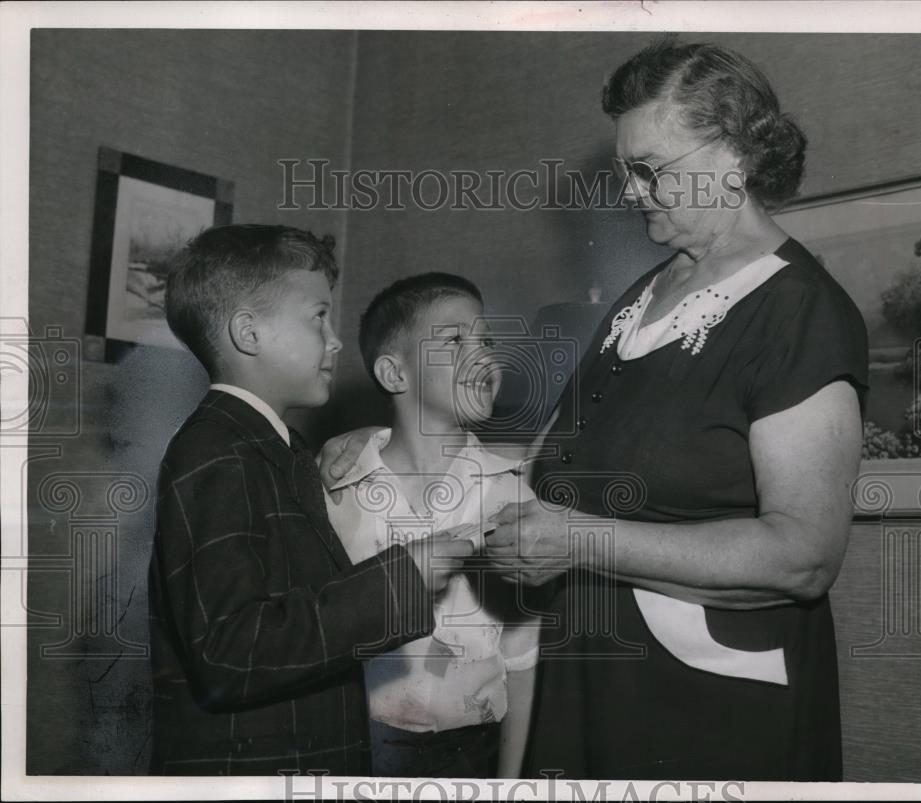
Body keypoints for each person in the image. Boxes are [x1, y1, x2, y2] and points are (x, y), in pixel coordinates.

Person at [321, 39, 869, 781]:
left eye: (653, 169)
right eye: (625, 170)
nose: (633, 191)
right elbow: (549, 470)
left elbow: (802, 554)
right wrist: (391, 442)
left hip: (706, 705)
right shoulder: (641, 299)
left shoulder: (800, 311)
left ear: (734, 157)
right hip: (588, 684)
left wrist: (582, 541)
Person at [147, 225, 473, 775]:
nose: (336, 338)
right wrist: (403, 580)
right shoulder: (217, 454)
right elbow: (230, 652)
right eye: (318, 316)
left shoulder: (272, 446)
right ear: (249, 333)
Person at [324, 273, 539, 778]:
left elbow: (523, 659)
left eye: (486, 340)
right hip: (353, 749)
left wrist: (508, 785)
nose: (482, 354)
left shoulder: (511, 494)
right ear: (395, 374)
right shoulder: (335, 489)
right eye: (455, 340)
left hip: (473, 755)